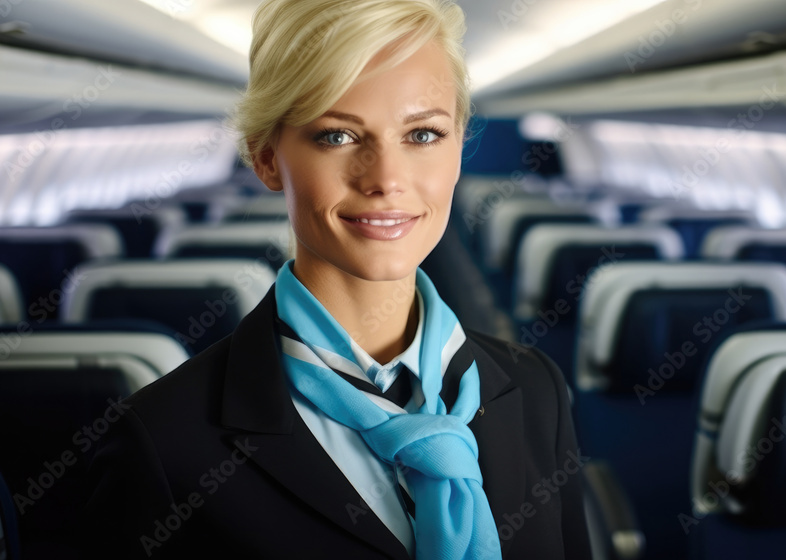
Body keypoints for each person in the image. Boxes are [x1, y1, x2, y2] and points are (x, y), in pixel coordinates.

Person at [83, 0, 591, 558]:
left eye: (422, 135)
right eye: (337, 136)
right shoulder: (164, 443)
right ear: (266, 157)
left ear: (459, 145)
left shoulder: (535, 388)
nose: (386, 179)